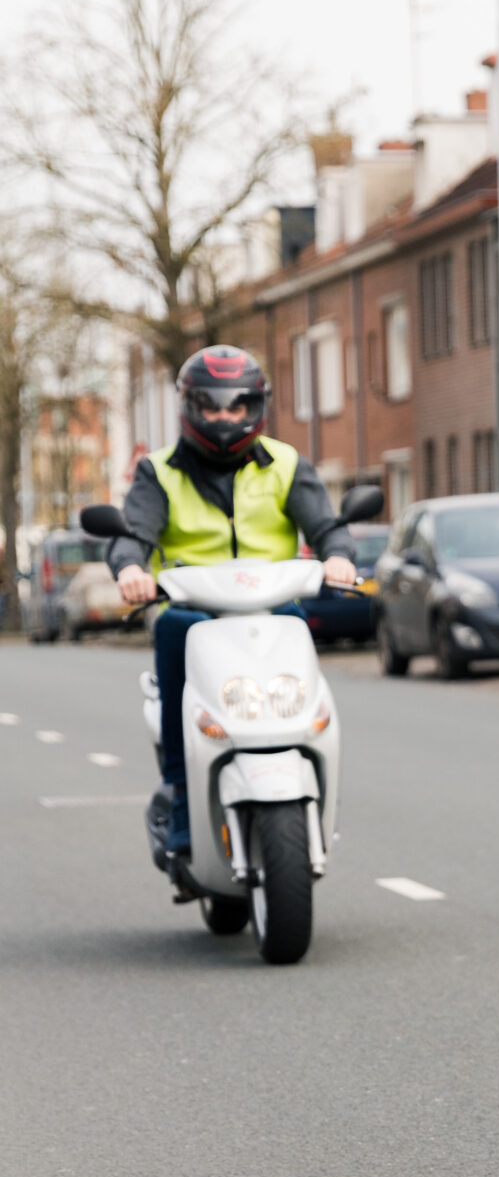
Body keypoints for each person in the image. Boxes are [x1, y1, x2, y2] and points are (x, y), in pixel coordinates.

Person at [109, 344, 359, 866]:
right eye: (211, 406)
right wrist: (131, 569)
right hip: (194, 611)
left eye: (236, 406)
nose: (224, 418)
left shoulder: (287, 463)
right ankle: (181, 801)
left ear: (256, 406)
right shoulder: (157, 472)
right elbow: (134, 534)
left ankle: (310, 768)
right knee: (174, 627)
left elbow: (325, 525)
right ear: (189, 406)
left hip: (272, 610)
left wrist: (337, 557)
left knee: (297, 628)